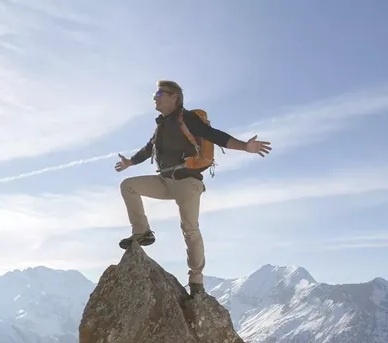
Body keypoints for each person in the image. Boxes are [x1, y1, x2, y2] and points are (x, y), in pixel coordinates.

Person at [114, 80, 271, 297]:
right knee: (128, 186)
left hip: (188, 183)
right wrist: (130, 162)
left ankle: (196, 281)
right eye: (155, 93)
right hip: (166, 181)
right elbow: (149, 148)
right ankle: (142, 233)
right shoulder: (161, 125)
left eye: (160, 93)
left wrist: (245, 146)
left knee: (189, 228)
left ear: (174, 97)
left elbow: (214, 135)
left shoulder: (187, 118)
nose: (155, 97)